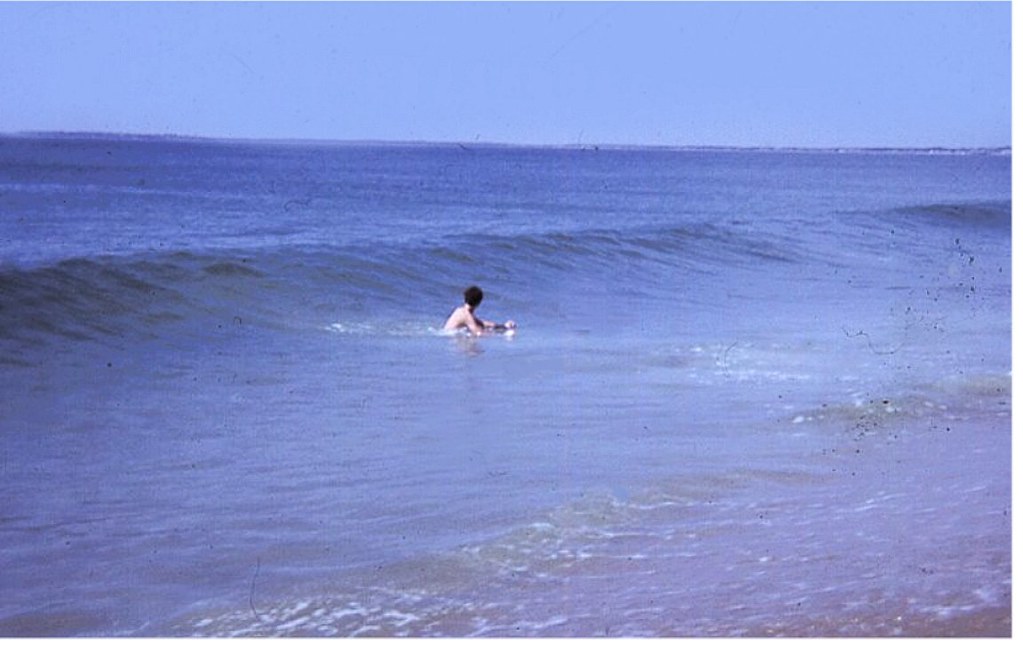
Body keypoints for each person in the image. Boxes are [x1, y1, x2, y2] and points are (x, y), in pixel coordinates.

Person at [443, 285, 516, 336]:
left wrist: (504, 326)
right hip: (450, 337)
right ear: (479, 303)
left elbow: (482, 323)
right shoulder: (466, 315)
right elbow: (478, 332)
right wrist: (503, 334)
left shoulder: (462, 311)